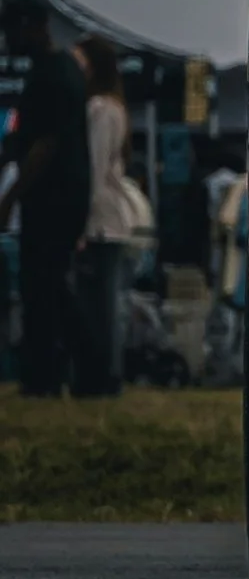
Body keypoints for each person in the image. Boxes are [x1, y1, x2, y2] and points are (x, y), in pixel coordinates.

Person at [2, 0, 92, 394]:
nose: (8, 40)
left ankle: (54, 375)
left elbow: (45, 145)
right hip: (61, 197)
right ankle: (76, 374)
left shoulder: (52, 75)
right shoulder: (59, 70)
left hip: (53, 199)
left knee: (44, 286)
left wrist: (10, 197)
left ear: (32, 26)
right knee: (50, 286)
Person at [73, 35, 151, 401]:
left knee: (99, 307)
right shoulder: (113, 107)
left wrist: (82, 223)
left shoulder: (100, 109)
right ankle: (104, 376)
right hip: (109, 219)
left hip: (102, 220)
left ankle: (103, 378)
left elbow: (93, 167)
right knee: (103, 304)